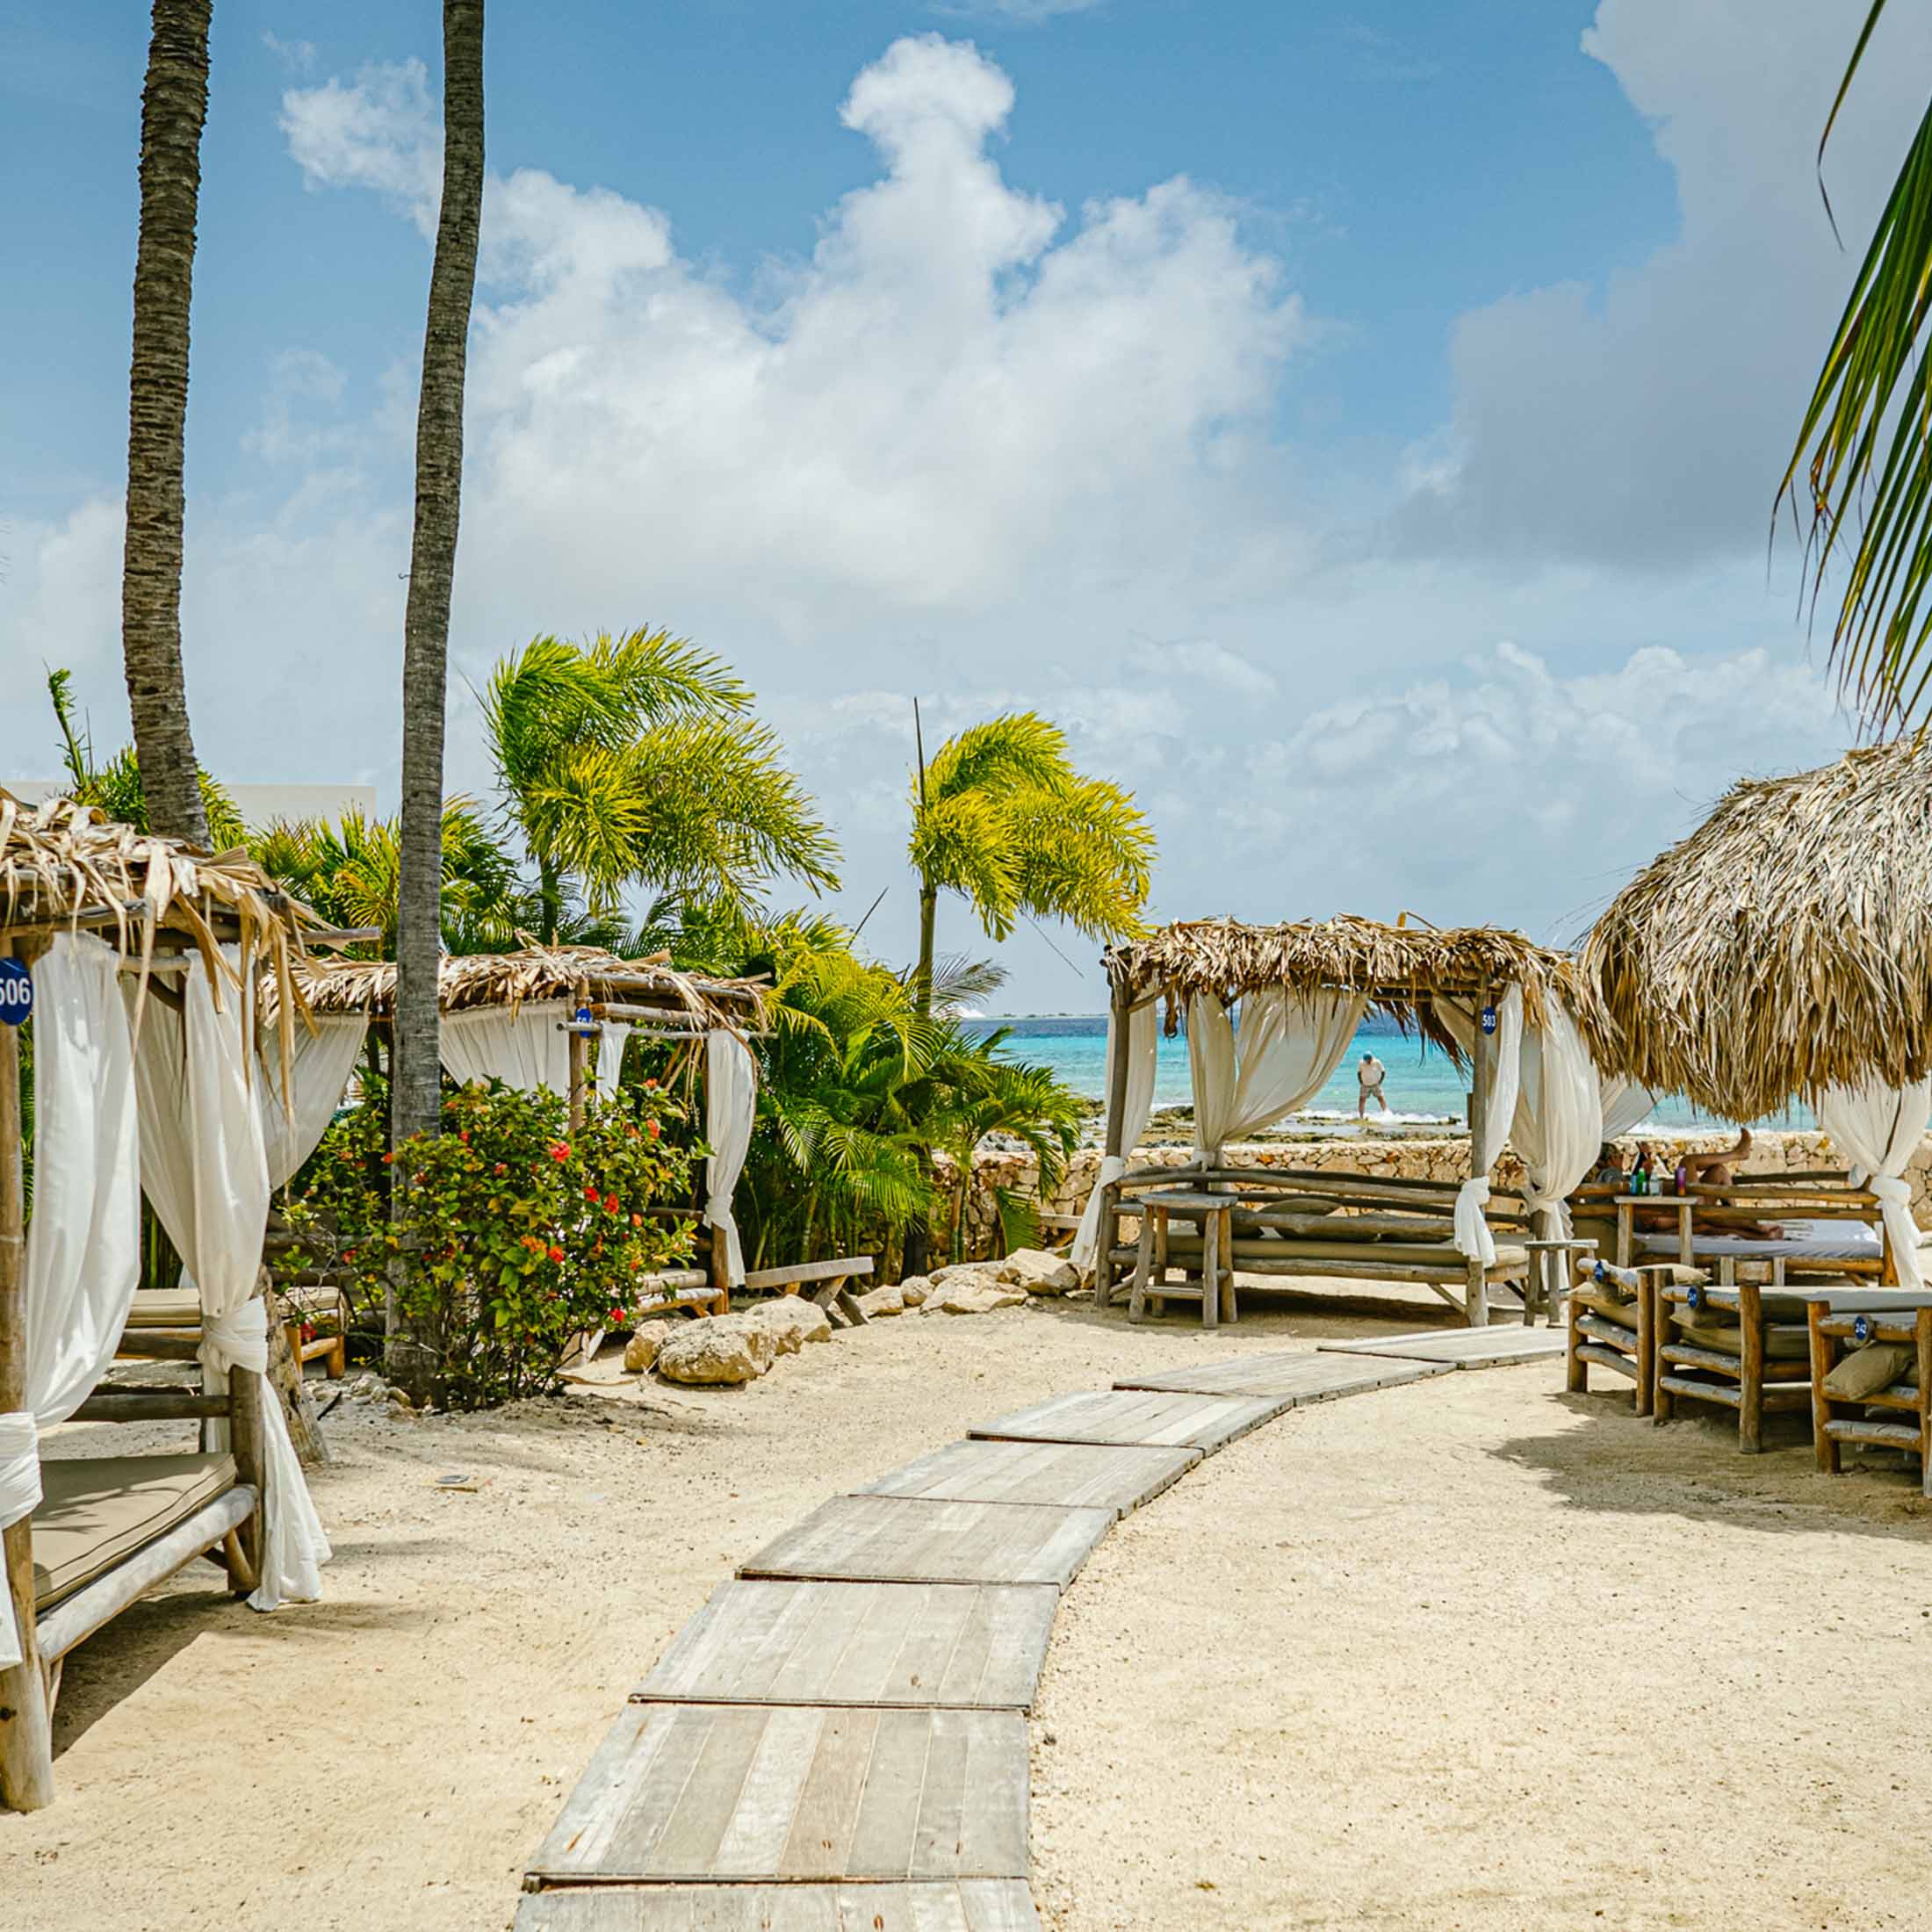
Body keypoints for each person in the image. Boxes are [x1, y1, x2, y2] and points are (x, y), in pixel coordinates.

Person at [1357, 1051, 1388, 1118]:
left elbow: (1383, 1071)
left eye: (1369, 1060)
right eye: (1367, 1061)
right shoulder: (1361, 1063)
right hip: (1365, 1085)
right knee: (1362, 1100)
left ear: (1371, 1058)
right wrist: (1361, 1082)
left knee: (1381, 1098)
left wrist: (1380, 1081)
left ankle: (1386, 1114)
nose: (1368, 1062)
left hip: (1375, 1084)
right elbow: (1359, 1073)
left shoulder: (1377, 1062)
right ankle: (1361, 1116)